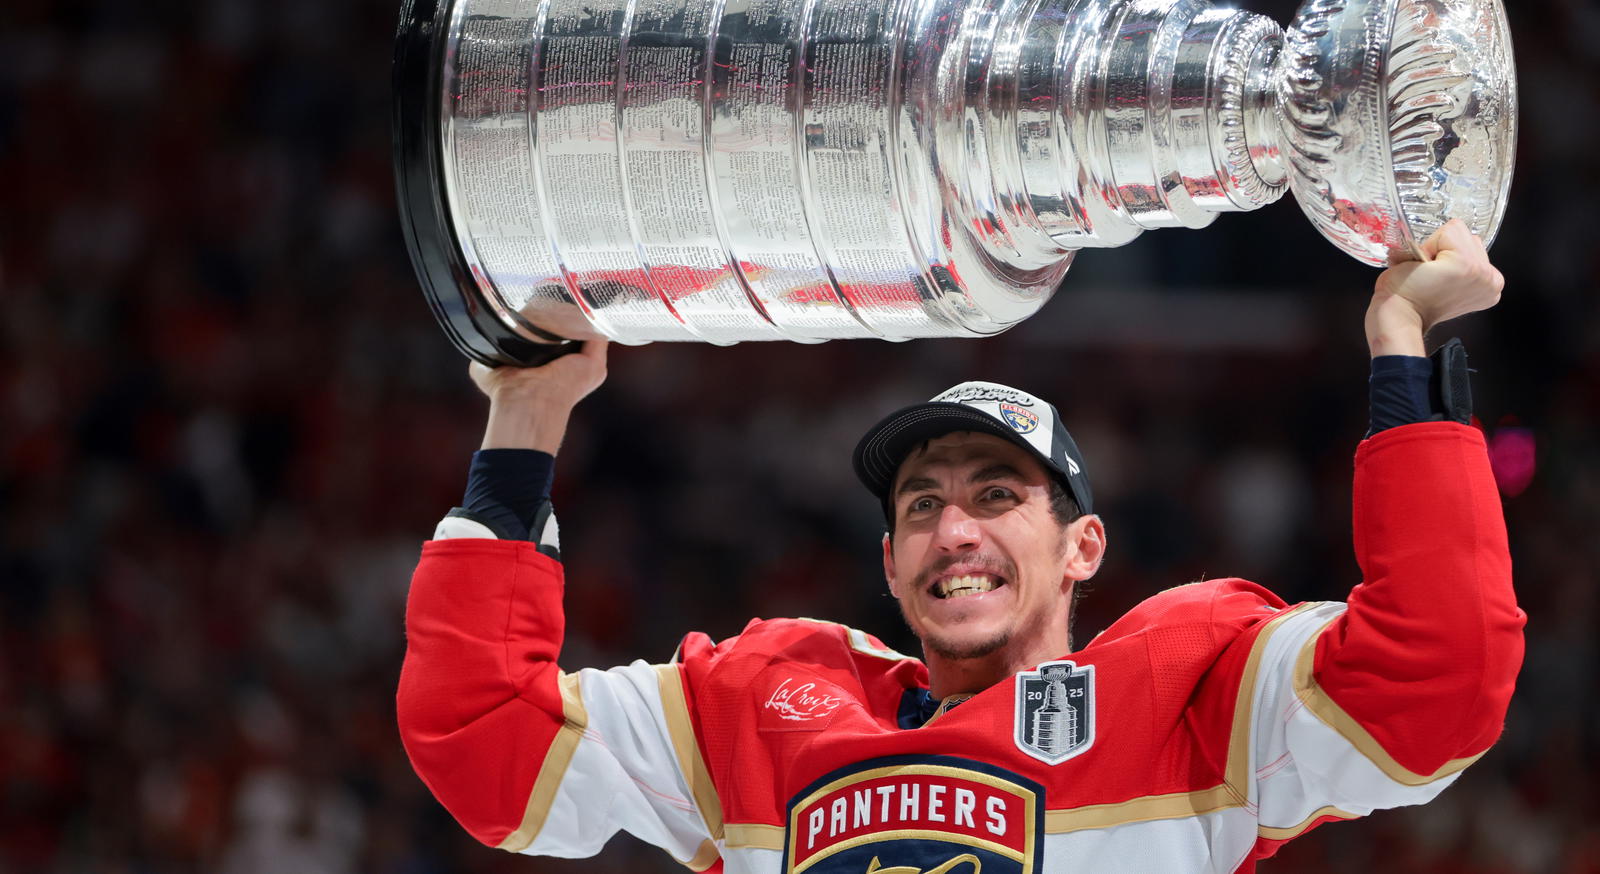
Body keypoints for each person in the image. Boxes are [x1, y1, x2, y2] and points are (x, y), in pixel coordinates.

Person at [397, 219, 1523, 873]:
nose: (954, 527)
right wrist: (527, 419)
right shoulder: (763, 701)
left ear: (1083, 545)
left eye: (998, 493)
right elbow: (482, 738)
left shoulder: (1190, 692)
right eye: (920, 505)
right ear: (889, 564)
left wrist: (1400, 344)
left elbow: (1438, 674)